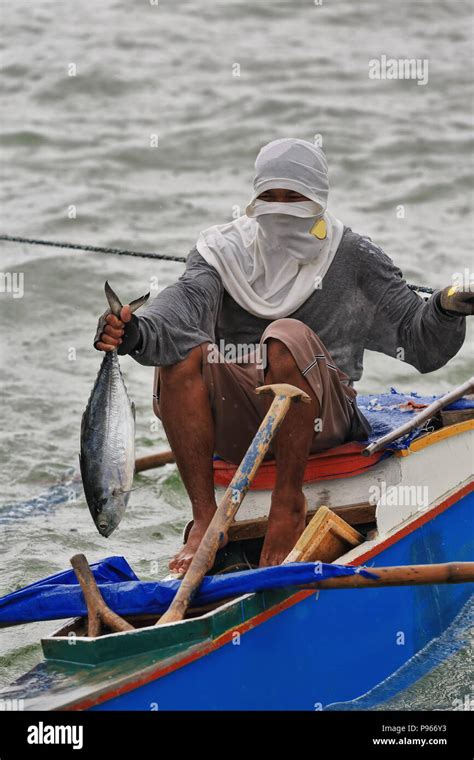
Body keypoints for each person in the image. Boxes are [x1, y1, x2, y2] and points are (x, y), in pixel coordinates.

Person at [94, 138, 471, 570]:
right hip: (241, 423)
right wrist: (134, 331)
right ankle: (204, 517)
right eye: (269, 198)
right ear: (253, 202)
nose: (281, 208)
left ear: (318, 201)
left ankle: (287, 502)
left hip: (323, 420)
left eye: (293, 198)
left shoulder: (352, 255)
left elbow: (418, 339)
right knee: (181, 355)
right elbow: (179, 310)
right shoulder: (222, 253)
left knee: (285, 336)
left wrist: (445, 307)